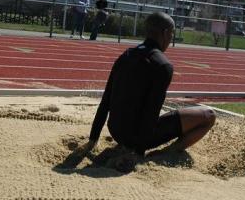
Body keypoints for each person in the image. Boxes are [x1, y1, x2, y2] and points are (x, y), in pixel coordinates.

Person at [82, 11, 215, 161]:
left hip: (116, 131)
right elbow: (151, 110)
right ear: (165, 33)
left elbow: (106, 100)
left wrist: (93, 139)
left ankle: (133, 144)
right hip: (137, 138)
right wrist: (139, 152)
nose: (171, 39)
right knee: (209, 115)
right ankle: (168, 152)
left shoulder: (125, 55)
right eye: (171, 34)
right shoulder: (163, 65)